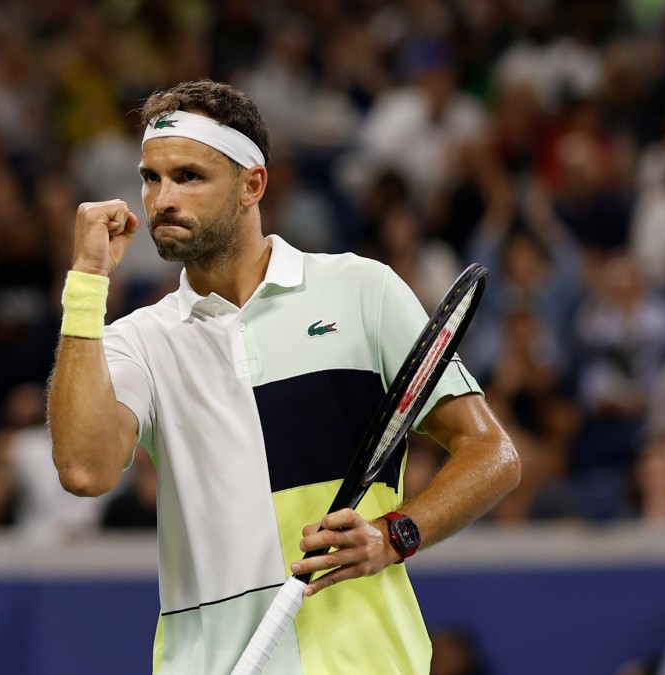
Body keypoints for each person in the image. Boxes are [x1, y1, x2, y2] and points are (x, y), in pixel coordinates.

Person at [47, 80, 520, 674]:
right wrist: (87, 283)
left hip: (366, 661)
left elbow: (492, 453)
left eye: (189, 176)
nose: (161, 199)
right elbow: (83, 470)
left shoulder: (361, 291)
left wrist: (394, 534)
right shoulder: (136, 340)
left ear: (253, 185)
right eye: (150, 177)